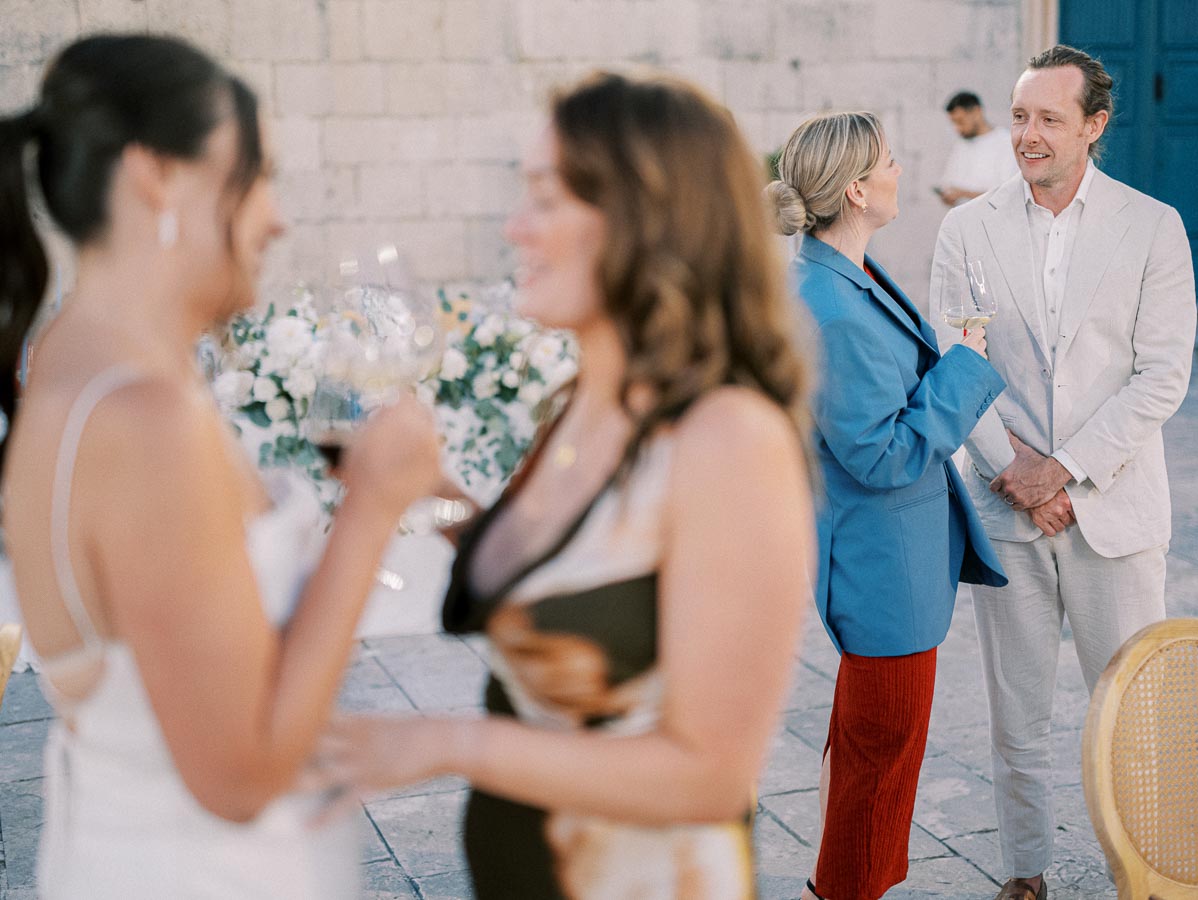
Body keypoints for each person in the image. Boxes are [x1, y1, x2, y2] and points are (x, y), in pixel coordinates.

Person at [310, 71, 816, 900]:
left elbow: (711, 777)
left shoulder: (730, 438)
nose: (514, 228)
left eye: (545, 200)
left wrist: (441, 745)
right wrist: (431, 493)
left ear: (646, 218)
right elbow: (573, 582)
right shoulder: (577, 403)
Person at [0, 34, 442, 898]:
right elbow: (237, 777)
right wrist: (372, 509)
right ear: (156, 176)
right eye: (258, 174)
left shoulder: (68, 362)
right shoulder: (144, 419)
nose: (275, 217)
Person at [929, 45, 1196, 900]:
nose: (1028, 135)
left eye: (1048, 118)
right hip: (1008, 510)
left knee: (1132, 718)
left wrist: (1067, 474)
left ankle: (1141, 871)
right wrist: (1018, 473)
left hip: (1112, 512)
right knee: (1019, 715)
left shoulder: (1154, 225)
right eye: (1019, 117)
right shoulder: (965, 229)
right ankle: (1023, 873)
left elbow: (1163, 374)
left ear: (1094, 125)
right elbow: (955, 360)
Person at [766, 111, 1008, 900]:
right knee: (878, 772)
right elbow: (883, 453)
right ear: (857, 189)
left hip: (886, 564)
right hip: (883, 577)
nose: (905, 170)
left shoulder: (839, 274)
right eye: (892, 160)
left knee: (873, 761)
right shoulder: (829, 306)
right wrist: (966, 366)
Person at [937, 91, 1019, 207]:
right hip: (961, 221)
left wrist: (962, 193)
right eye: (954, 123)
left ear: (976, 112)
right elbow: (948, 182)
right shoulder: (961, 145)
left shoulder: (1006, 143)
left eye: (960, 121)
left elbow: (1007, 194)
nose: (957, 128)